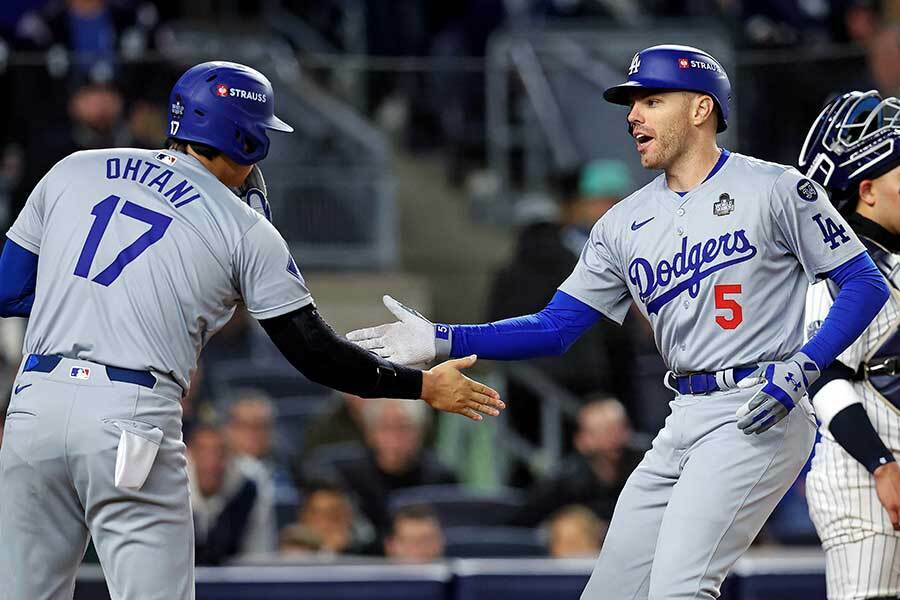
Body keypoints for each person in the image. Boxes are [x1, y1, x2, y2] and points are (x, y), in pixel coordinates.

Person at [347, 44, 890, 599]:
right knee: (609, 593)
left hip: (758, 407)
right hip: (683, 416)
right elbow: (555, 327)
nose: (633, 115)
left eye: (652, 101)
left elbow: (865, 282)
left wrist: (805, 364)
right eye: (632, 104)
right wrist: (440, 337)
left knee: (679, 589)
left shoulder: (777, 188)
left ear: (701, 109)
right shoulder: (623, 223)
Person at [0, 61, 503, 600]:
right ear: (245, 137)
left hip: (35, 405)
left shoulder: (74, 167)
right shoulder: (244, 227)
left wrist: (96, 300)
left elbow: (7, 288)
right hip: (128, 415)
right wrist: (421, 386)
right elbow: (314, 353)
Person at [798, 89, 900, 600]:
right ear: (868, 189)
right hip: (861, 476)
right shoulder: (838, 269)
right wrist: (882, 466)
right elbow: (823, 373)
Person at [508, 397, 643, 525]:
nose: (614, 438)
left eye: (620, 428)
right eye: (604, 431)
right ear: (581, 440)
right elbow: (524, 523)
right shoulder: (562, 483)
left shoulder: (646, 467)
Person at [187, 424, 275, 565]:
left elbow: (259, 553)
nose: (211, 462)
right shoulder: (172, 489)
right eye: (203, 451)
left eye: (219, 452)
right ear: (190, 454)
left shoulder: (247, 491)